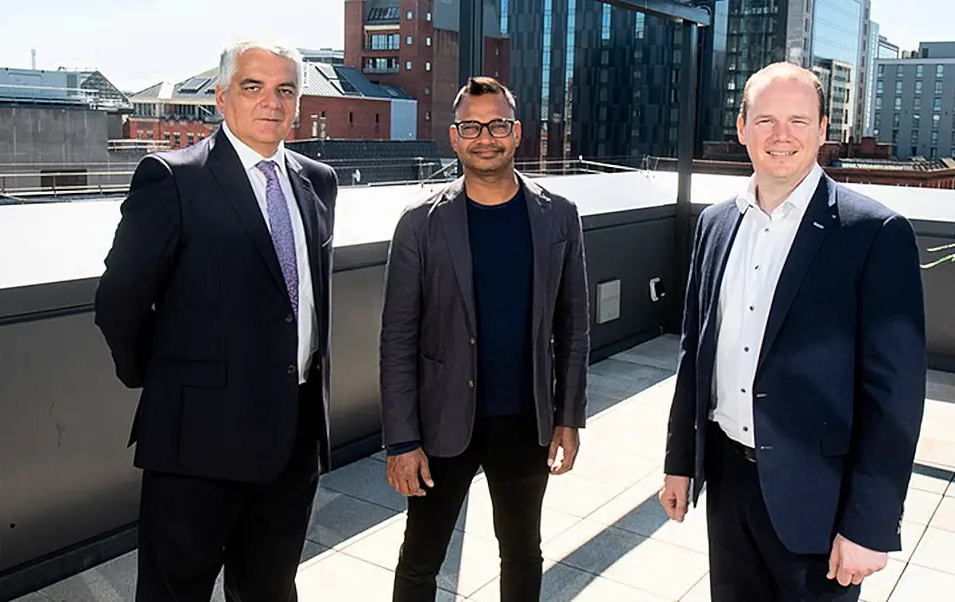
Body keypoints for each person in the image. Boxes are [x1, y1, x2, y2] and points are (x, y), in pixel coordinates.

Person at [659, 61, 927, 601]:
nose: (782, 136)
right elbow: (696, 356)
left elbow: (894, 398)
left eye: (799, 121)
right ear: (742, 128)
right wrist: (680, 463)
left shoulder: (874, 234)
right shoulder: (714, 224)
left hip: (819, 504)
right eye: (766, 121)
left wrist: (869, 524)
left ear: (824, 130)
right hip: (729, 484)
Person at [94, 38, 338, 602]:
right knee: (176, 592)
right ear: (222, 98)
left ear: (299, 103)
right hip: (196, 442)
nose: (270, 103)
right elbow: (119, 300)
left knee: (270, 590)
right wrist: (162, 380)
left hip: (292, 440)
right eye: (253, 87)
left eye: (285, 90)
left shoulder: (317, 182)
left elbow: (298, 302)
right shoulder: (174, 178)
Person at [378, 76, 590, 602]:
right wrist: (402, 441)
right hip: (440, 424)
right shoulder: (420, 224)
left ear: (516, 133)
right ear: (454, 137)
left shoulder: (558, 216)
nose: (485, 137)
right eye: (471, 127)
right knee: (421, 559)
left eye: (497, 125)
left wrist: (568, 416)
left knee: (521, 552)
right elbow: (397, 339)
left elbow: (574, 327)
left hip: (525, 422)